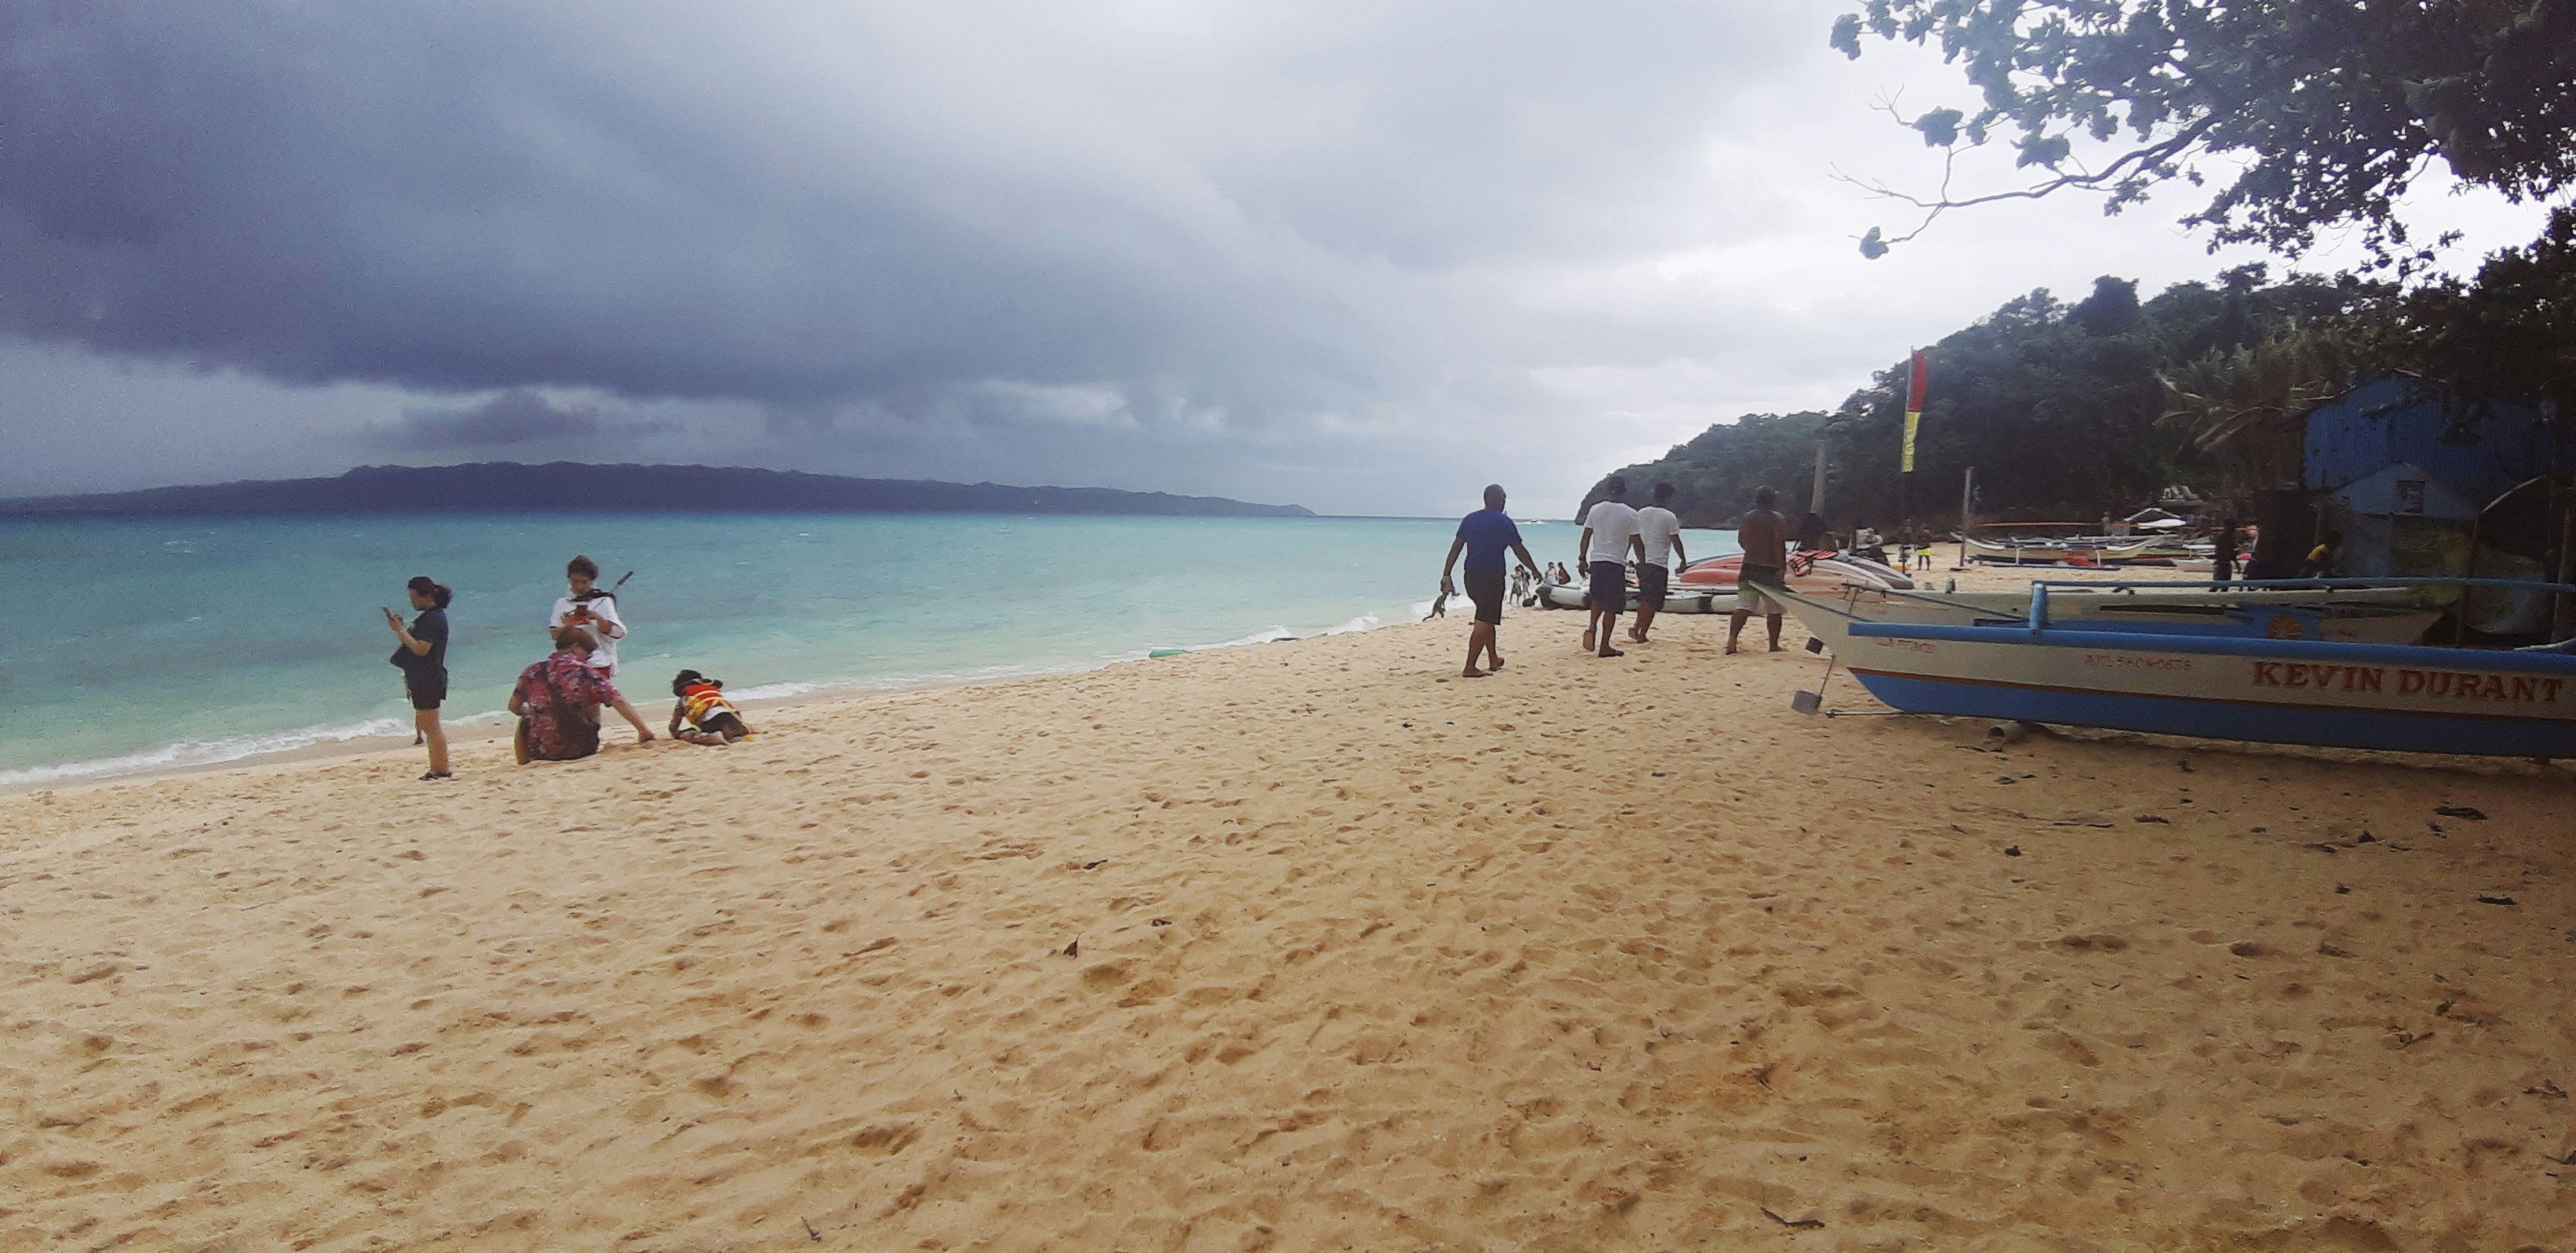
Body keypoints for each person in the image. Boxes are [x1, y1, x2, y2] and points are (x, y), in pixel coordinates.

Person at [1440, 484, 1543, 677]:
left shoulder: (1470, 519)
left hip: (1470, 576)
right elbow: (1519, 550)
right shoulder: (1504, 522)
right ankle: (1470, 667)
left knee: (1486, 616)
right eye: (1504, 498)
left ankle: (1493, 659)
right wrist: (1534, 570)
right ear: (1500, 500)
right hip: (1491, 576)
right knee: (1484, 620)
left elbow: (1456, 548)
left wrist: (1446, 574)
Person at [549, 554, 654, 743]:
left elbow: (618, 632)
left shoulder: (603, 601)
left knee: (594, 702)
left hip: (598, 659)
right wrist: (569, 624)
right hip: (569, 662)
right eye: (575, 582)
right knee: (577, 704)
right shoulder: (562, 604)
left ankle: (600, 736)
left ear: (591, 581)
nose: (579, 586)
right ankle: (587, 738)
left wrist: (597, 618)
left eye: (584, 582)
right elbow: (555, 634)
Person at [511, 625, 622, 762]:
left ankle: (523, 762)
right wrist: (643, 730)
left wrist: (536, 713)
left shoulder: (532, 671)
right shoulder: (584, 671)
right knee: (593, 702)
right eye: (587, 654)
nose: (586, 659)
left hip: (541, 750)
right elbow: (617, 699)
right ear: (575, 648)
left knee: (525, 721)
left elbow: (513, 707)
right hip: (580, 749)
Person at [384, 576, 453, 780]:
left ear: (427, 596)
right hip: (424, 676)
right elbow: (415, 644)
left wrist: (400, 630)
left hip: (428, 677)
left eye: (413, 597)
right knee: (428, 725)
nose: (411, 601)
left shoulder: (433, 619)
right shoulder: (431, 618)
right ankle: (438, 767)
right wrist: (401, 629)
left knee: (431, 726)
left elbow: (421, 649)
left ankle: (441, 769)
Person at [1576, 477, 1644, 657]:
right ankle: (1604, 646)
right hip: (1615, 563)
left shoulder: (1595, 509)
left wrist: (1582, 559)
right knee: (1611, 606)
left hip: (1597, 561)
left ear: (1608, 491)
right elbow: (1637, 542)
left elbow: (1586, 537)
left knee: (1597, 598)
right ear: (1624, 491)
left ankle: (1592, 627)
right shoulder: (1630, 513)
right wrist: (1642, 564)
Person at [1728, 486, 1791, 655]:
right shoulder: (1777, 519)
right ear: (1773, 500)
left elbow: (1742, 540)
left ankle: (1732, 639)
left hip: (1749, 565)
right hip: (1770, 568)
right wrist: (1782, 567)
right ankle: (1773, 644)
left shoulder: (1748, 518)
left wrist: (1752, 549)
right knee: (1774, 609)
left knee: (1744, 606)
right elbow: (1779, 543)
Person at [1627, 482, 1689, 643]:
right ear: (1668, 498)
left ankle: (1636, 627)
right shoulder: (1669, 516)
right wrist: (1683, 559)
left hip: (1641, 562)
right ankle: (1642, 634)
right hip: (1658, 563)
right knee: (1653, 601)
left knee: (1646, 597)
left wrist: (1625, 555)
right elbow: (1676, 541)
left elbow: (1632, 537)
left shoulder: (1641, 513)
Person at [668, 669, 757, 745]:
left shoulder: (683, 699)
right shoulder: (711, 690)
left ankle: (712, 737)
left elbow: (674, 724)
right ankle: (747, 729)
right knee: (734, 730)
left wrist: (675, 733)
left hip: (712, 722)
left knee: (686, 735)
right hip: (734, 717)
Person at [2213, 518, 2239, 583]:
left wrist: (2236, 563)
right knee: (2217, 584)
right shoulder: (2222, 537)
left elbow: (2233, 552)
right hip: (2222, 563)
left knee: (2225, 585)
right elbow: (2218, 551)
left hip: (2226, 563)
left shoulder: (2232, 537)